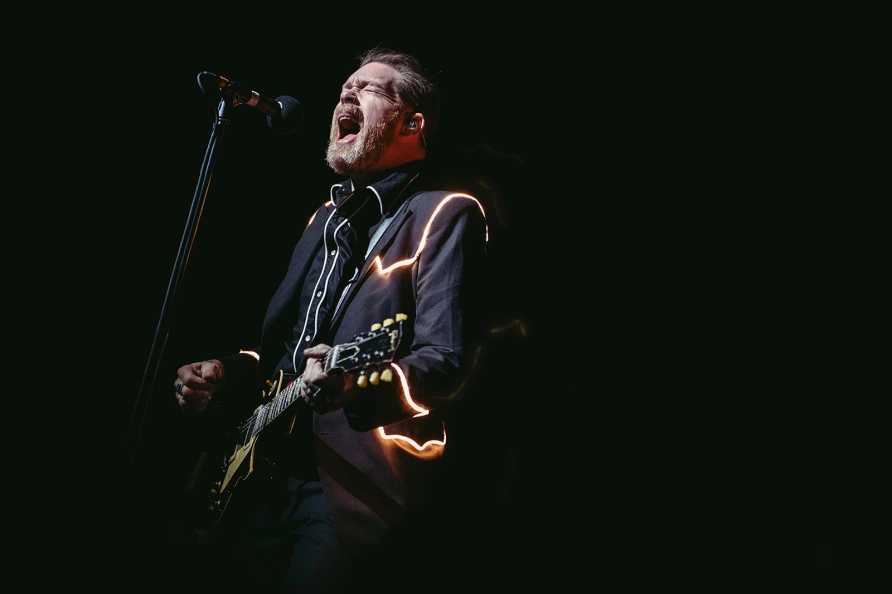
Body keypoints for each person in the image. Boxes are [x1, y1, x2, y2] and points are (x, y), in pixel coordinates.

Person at [171, 46, 495, 593]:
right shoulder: (326, 218)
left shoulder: (445, 211)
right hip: (262, 476)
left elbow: (445, 362)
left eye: (369, 88)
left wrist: (352, 384)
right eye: (345, 85)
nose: (346, 93)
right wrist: (226, 371)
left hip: (348, 484)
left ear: (412, 124)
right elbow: (285, 357)